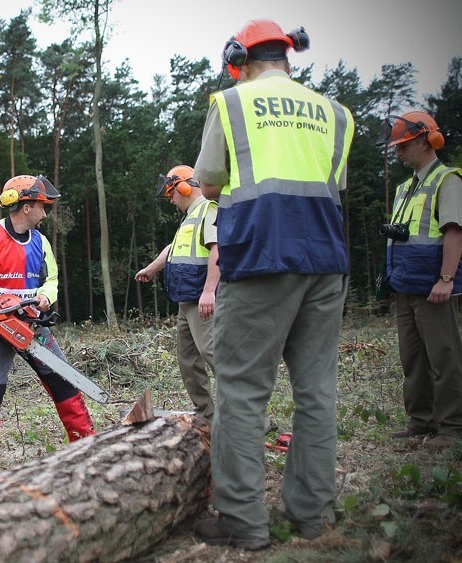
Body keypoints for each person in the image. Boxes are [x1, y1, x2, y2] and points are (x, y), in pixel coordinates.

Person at [190, 19, 355, 549]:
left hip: (262, 258)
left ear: (239, 58)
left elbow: (209, 181)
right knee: (317, 393)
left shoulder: (232, 103)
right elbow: (333, 185)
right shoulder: (336, 113)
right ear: (288, 57)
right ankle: (313, 516)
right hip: (326, 262)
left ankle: (244, 522)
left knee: (241, 391)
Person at [0, 175, 96, 480]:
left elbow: (51, 279)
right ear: (25, 206)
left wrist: (45, 297)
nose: (46, 211)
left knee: (64, 381)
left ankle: (86, 443)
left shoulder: (40, 243)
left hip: (31, 323)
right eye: (43, 205)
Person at [381, 111, 462, 449]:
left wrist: (446, 279)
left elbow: (454, 233)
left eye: (404, 146)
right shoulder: (404, 188)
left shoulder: (448, 180)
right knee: (412, 358)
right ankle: (421, 420)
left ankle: (451, 427)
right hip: (406, 285)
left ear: (427, 140)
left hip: (433, 288)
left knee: (444, 356)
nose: (398, 153)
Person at [135, 165, 219, 421]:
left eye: (171, 193)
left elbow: (219, 250)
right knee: (188, 359)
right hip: (186, 299)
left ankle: (250, 415)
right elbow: (172, 249)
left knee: (214, 353)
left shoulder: (209, 208)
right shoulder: (189, 218)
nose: (171, 200)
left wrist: (209, 292)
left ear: (183, 187)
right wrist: (151, 269)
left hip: (202, 298)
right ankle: (207, 414)